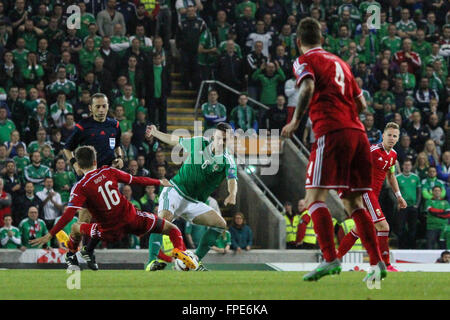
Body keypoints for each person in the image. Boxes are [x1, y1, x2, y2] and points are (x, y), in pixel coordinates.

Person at [281, 17, 386, 282]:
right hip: (358, 134)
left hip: (332, 132)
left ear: (298, 42)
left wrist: (295, 120)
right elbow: (361, 104)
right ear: (322, 38)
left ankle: (329, 258)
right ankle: (377, 263)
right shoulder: (341, 63)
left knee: (314, 198)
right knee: (353, 202)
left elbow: (307, 86)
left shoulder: (304, 61)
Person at [30, 145, 196, 271]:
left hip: (109, 232)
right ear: (95, 161)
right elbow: (136, 180)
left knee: (75, 226)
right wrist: (158, 181)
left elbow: (68, 214)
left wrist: (50, 234)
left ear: (78, 166)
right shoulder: (109, 171)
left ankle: (71, 255)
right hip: (133, 218)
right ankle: (180, 253)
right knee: (173, 230)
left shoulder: (80, 187)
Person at [145, 122, 237, 271]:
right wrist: (156, 133)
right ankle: (151, 262)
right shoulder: (200, 142)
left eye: (226, 140)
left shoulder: (228, 160)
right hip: (175, 191)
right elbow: (175, 140)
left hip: (193, 201)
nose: (222, 142)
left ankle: (193, 260)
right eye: (220, 138)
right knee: (163, 220)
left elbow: (232, 180)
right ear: (214, 136)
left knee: (220, 224)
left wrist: (232, 194)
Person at [336, 123, 407, 272]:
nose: (392, 138)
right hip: (365, 193)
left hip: (374, 194)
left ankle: (334, 259)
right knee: (383, 227)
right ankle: (385, 264)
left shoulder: (393, 155)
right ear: (383, 135)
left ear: (398, 138)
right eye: (389, 135)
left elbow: (391, 175)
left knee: (358, 230)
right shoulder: (372, 151)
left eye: (395, 136)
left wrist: (399, 196)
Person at [62, 93, 124, 261]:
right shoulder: (83, 127)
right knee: (85, 218)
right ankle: (71, 253)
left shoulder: (115, 125)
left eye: (104, 106)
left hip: (106, 180)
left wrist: (120, 158)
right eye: (97, 106)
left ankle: (87, 251)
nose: (101, 109)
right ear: (90, 108)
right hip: (88, 179)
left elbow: (117, 146)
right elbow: (67, 148)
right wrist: (75, 165)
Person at [396, 159, 421, 249]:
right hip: (402, 206)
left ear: (411, 166)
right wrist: (397, 202)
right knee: (401, 228)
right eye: (405, 165)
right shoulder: (397, 177)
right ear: (402, 166)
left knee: (413, 228)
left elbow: (419, 192)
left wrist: (417, 204)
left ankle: (412, 247)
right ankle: (401, 247)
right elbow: (392, 191)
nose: (407, 167)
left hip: (412, 206)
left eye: (409, 165)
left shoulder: (416, 177)